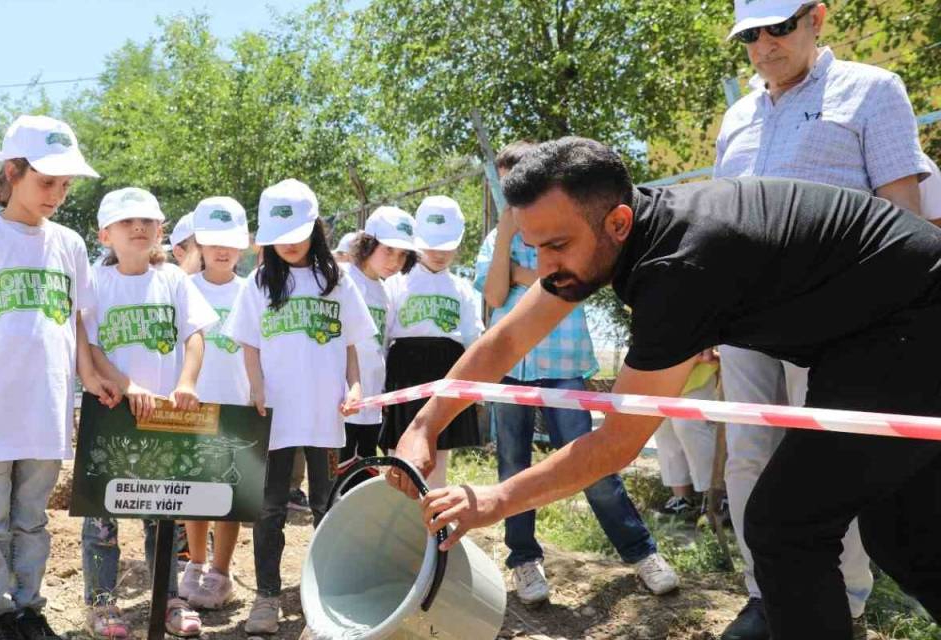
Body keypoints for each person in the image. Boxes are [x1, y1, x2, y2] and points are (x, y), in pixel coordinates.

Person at [388, 137, 941, 640]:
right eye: (535, 249)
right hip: (871, 334)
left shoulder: (678, 268)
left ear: (618, 223)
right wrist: (424, 426)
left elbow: (616, 445)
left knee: (785, 525)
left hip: (915, 323)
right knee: (899, 531)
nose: (547, 268)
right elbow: (506, 341)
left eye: (556, 245)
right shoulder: (618, 235)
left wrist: (490, 500)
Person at [715, 1, 932, 634]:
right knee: (748, 457)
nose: (764, 45)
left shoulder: (872, 91)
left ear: (818, 18)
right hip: (745, 322)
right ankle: (769, 598)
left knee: (832, 464)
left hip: (840, 323)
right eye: (749, 35)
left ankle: (845, 600)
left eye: (778, 27)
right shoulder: (736, 117)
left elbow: (906, 217)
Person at [0, 115, 118, 640]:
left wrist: (92, 376)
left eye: (65, 184)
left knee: (32, 519)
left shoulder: (68, 244)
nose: (58, 194)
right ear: (12, 173)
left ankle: (28, 607)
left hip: (46, 408)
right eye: (47, 182)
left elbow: (79, 326)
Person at [476, 141, 675, 603]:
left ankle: (641, 551)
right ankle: (524, 561)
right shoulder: (496, 240)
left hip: (563, 363)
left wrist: (520, 277)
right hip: (512, 373)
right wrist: (506, 237)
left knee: (594, 462)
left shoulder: (570, 222)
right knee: (512, 465)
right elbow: (492, 293)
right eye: (505, 190)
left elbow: (570, 280)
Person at [223, 178, 374, 635]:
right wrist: (255, 386)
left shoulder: (337, 280)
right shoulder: (259, 282)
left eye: (297, 233)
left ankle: (326, 593)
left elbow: (351, 343)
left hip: (326, 415)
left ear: (316, 229)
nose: (288, 244)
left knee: (327, 505)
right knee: (269, 507)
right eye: (279, 236)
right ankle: (267, 596)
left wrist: (353, 387)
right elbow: (248, 342)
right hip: (275, 417)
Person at [78, 187, 217, 638]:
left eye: (148, 221)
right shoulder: (96, 283)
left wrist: (186, 383)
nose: (138, 228)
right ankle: (102, 602)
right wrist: (125, 384)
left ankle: (169, 597)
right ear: (105, 235)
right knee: (104, 512)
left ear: (161, 230)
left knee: (164, 511)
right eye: (126, 222)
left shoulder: (174, 279)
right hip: (112, 411)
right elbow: (91, 346)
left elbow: (195, 335)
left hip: (164, 415)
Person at [380, 196, 484, 489]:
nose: (439, 253)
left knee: (437, 454)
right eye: (432, 244)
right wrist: (379, 385)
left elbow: (472, 339)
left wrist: (475, 389)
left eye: (446, 245)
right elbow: (383, 337)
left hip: (446, 373)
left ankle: (430, 526)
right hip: (403, 374)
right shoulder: (396, 283)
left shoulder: (462, 289)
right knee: (397, 454)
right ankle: (393, 522)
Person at [178, 196, 252, 610]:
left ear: (242, 246)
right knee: (195, 490)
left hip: (238, 406)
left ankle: (221, 573)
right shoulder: (183, 288)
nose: (222, 250)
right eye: (212, 241)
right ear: (199, 244)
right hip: (194, 405)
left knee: (228, 497)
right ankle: (195, 564)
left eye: (231, 242)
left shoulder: (253, 290)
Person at [340, 206, 417, 487]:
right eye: (388, 250)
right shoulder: (342, 278)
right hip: (343, 398)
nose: (395, 261)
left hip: (372, 398)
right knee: (339, 469)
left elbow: (381, 345)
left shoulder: (385, 291)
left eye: (403, 255)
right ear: (368, 243)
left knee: (365, 469)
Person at [653, 351, 720, 518]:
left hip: (699, 369)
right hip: (661, 372)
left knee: (689, 426)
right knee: (663, 428)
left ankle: (714, 498)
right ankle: (681, 498)